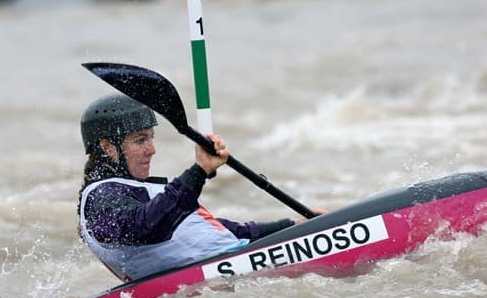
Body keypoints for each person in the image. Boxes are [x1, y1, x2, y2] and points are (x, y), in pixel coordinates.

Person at [77, 93, 319, 282]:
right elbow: (144, 228)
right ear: (108, 147)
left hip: (229, 267)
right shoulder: (101, 199)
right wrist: (199, 171)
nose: (152, 150)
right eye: (141, 140)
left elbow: (220, 232)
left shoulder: (133, 194)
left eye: (151, 138)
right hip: (214, 282)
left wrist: (292, 226)